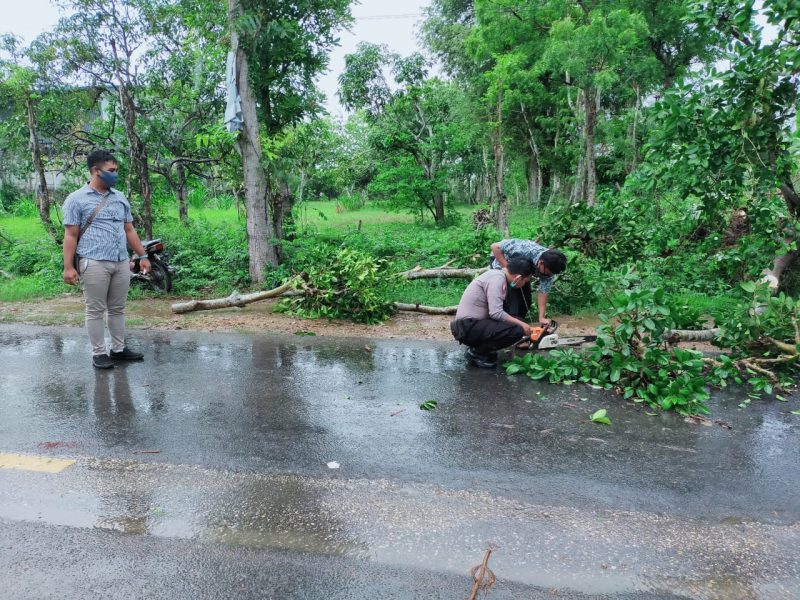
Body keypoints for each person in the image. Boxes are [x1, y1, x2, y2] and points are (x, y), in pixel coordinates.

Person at [62, 149, 151, 370]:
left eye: (116, 171)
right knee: (95, 309)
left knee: (118, 308)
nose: (115, 175)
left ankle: (118, 349)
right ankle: (99, 353)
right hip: (93, 262)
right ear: (95, 170)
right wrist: (68, 267)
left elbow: (129, 229)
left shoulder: (119, 197)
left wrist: (143, 256)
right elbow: (70, 235)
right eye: (111, 171)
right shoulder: (76, 199)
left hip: (121, 262)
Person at [450, 257, 535, 368]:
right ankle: (477, 353)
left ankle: (480, 348)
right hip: (466, 326)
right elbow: (496, 313)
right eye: (525, 281)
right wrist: (521, 324)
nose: (524, 285)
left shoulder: (498, 276)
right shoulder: (497, 279)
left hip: (472, 325)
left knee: (516, 321)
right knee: (517, 330)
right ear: (518, 277)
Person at [490, 239, 567, 329]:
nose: (549, 275)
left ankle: (518, 326)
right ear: (541, 263)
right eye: (548, 272)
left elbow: (543, 292)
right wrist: (509, 270)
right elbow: (495, 247)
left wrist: (541, 317)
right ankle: (506, 329)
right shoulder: (526, 249)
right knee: (512, 300)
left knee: (526, 302)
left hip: (523, 273)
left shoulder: (549, 271)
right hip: (501, 264)